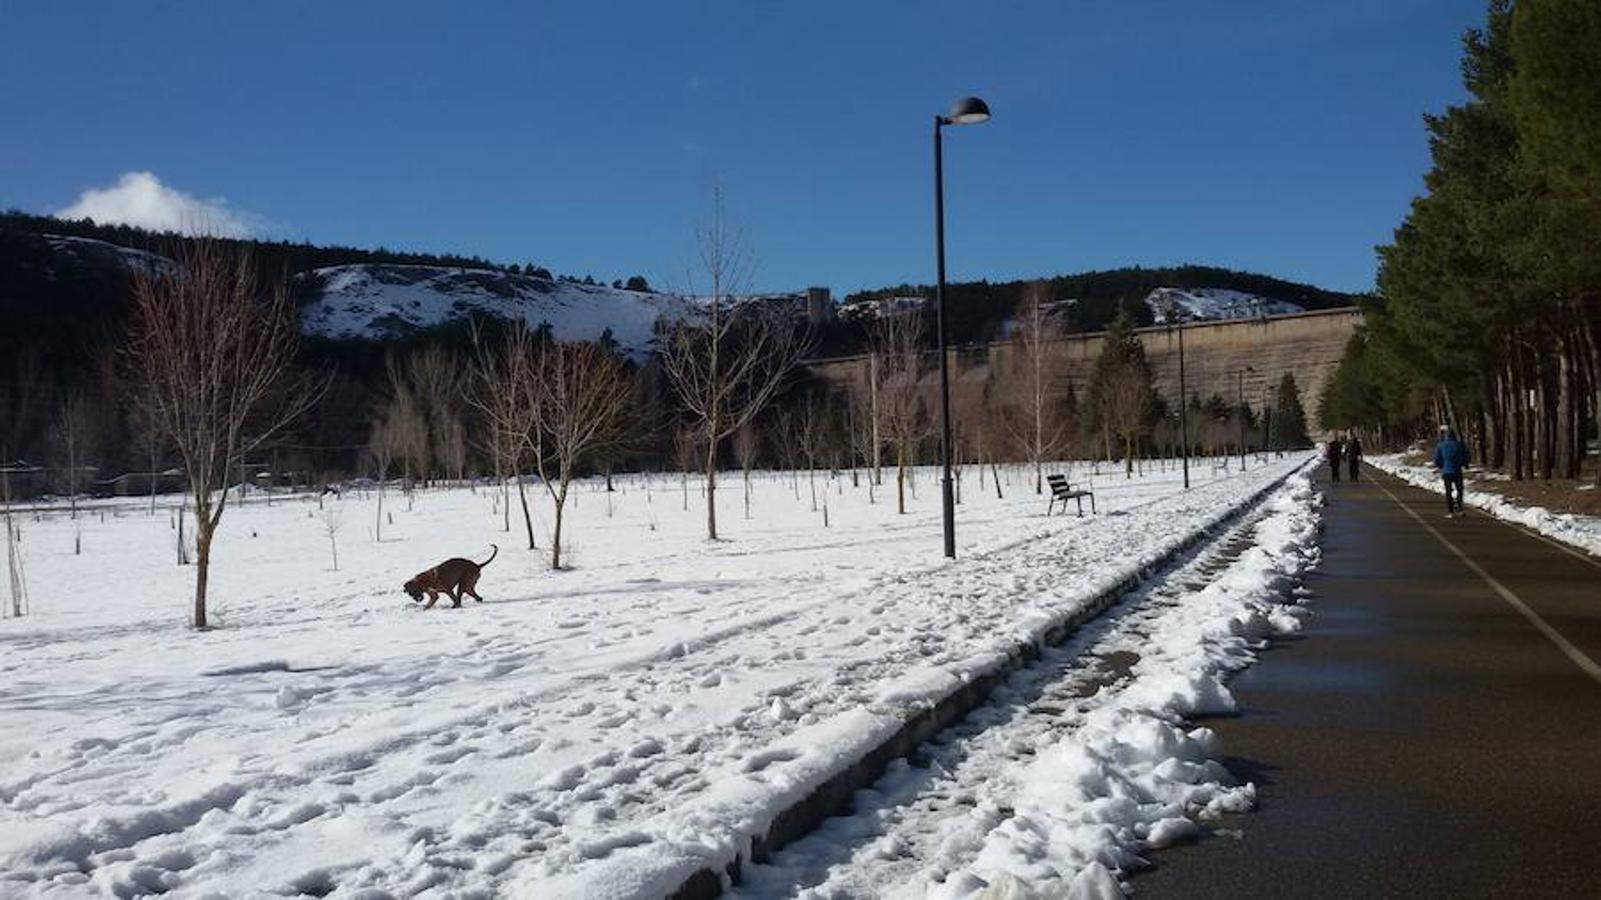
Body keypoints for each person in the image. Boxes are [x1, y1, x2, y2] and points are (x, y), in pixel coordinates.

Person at [1432, 426, 1470, 518]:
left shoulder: (1440, 446)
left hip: (1446, 472)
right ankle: (1460, 509)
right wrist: (1464, 464)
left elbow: (1437, 459)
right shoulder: (1459, 445)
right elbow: (1466, 456)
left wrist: (1441, 466)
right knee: (1459, 490)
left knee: (1448, 491)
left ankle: (1450, 511)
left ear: (1445, 436)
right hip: (1457, 471)